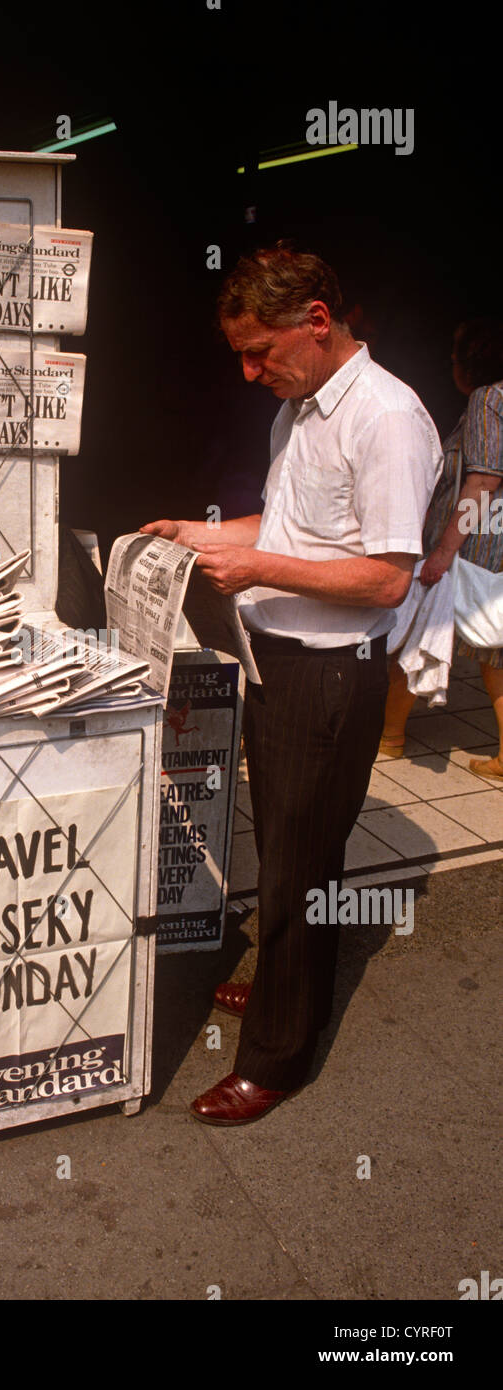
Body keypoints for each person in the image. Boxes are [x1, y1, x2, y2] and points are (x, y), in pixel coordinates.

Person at [141, 243, 442, 1125]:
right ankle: (289, 984)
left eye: (258, 350)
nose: (247, 372)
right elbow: (287, 525)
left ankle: (276, 1056)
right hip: (279, 663)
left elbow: (389, 576)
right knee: (287, 854)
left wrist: (254, 566)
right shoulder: (301, 407)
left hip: (329, 676)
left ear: (315, 321)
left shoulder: (387, 417)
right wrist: (202, 537)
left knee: (299, 868)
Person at [380, 320, 503, 775]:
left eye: (455, 357)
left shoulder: (490, 398)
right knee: (494, 651)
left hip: (475, 548)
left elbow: (484, 482)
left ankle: (389, 735)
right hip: (492, 545)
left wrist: (445, 552)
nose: (451, 365)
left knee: (421, 629)